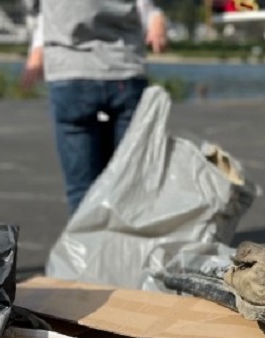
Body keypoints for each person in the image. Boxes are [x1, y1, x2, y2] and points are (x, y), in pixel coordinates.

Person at [20, 0, 168, 214]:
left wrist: (36, 52)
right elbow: (144, 7)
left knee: (81, 192)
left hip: (70, 71)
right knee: (131, 187)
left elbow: (36, 8)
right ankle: (127, 244)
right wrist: (156, 19)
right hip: (123, 69)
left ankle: (85, 245)